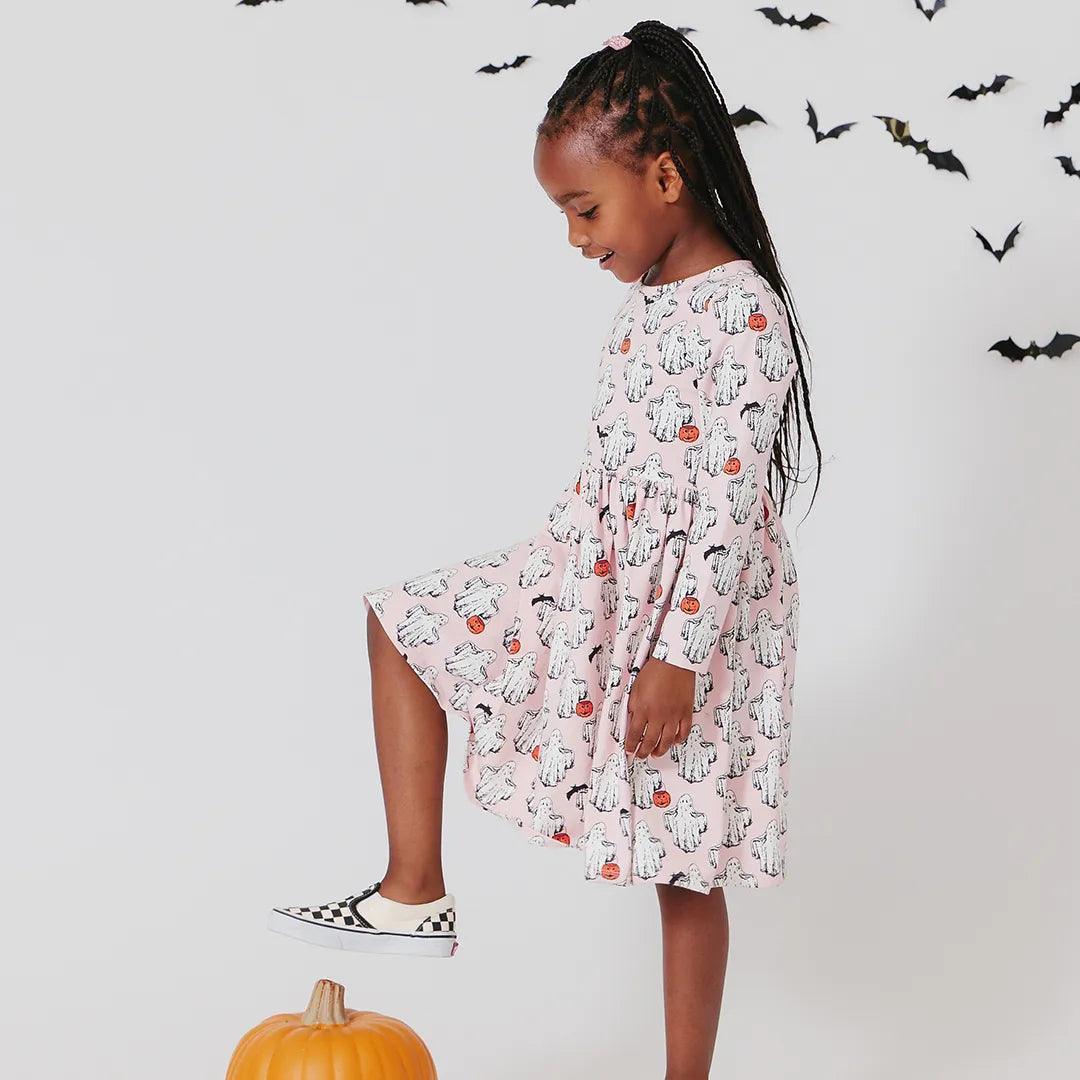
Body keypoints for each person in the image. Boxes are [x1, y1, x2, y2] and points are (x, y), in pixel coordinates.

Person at [268, 18, 823, 1076]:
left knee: (685, 866)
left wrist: (677, 657)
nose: (575, 238)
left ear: (664, 174)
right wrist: (566, 578)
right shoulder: (646, 302)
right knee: (403, 621)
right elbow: (620, 470)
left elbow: (726, 507)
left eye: (583, 209)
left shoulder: (746, 313)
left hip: (698, 623)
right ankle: (412, 890)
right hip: (594, 576)